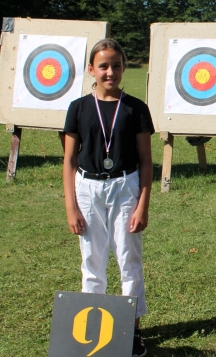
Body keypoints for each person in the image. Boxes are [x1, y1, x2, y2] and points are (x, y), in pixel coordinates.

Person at [63, 38, 154, 356]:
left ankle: (132, 330)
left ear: (123, 68)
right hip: (87, 189)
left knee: (129, 260)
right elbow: (70, 161)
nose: (110, 71)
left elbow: (145, 160)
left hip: (125, 187)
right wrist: (71, 206)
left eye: (116, 65)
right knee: (92, 261)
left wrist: (142, 204)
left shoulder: (136, 108)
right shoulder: (78, 108)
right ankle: (93, 327)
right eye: (103, 65)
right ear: (91, 69)